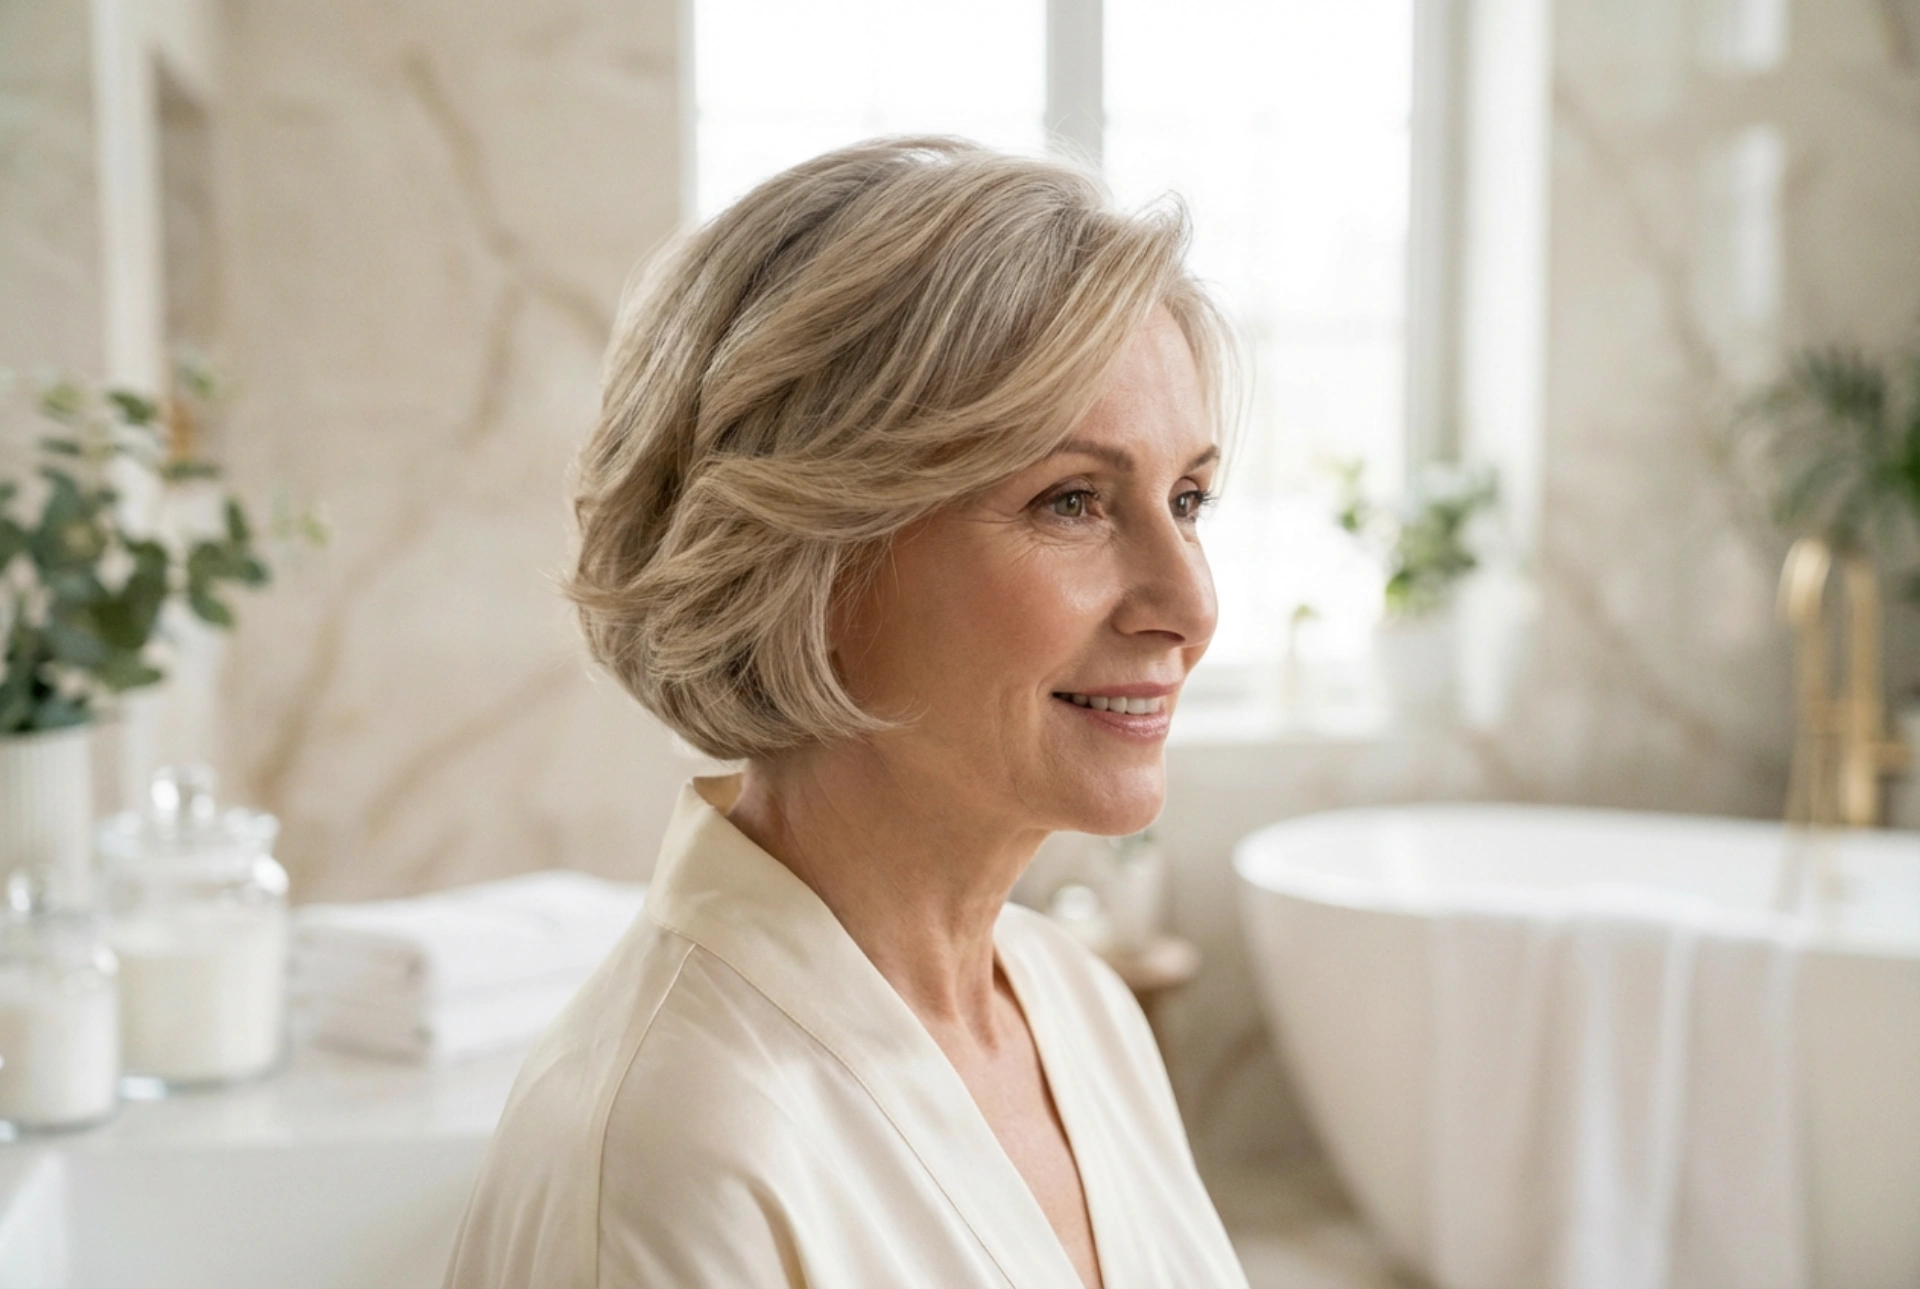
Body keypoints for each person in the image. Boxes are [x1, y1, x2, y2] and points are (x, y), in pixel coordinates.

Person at [443, 136, 1248, 1289]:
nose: (1191, 603)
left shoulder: (1077, 1004)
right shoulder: (676, 1158)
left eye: (1188, 499)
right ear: (807, 560)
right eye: (1071, 501)